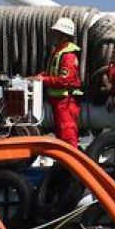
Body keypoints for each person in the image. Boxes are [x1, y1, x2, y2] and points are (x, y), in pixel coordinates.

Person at [35, 17, 82, 147]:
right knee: (62, 134)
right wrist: (38, 76)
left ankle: (70, 164)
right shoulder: (59, 52)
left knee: (67, 133)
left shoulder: (68, 56)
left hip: (66, 102)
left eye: (56, 33)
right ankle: (64, 164)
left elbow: (64, 81)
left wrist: (43, 80)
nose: (53, 36)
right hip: (59, 101)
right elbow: (54, 72)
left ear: (63, 35)